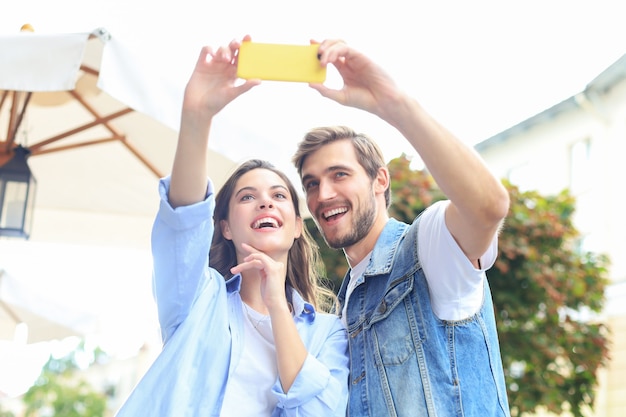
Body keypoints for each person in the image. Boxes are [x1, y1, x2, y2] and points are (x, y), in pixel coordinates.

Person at [114, 39, 349, 417]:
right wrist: (197, 115)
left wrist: (276, 303)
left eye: (278, 195)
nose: (265, 202)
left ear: (294, 228)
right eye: (246, 197)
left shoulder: (327, 333)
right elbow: (182, 218)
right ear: (223, 227)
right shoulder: (197, 299)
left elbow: (320, 412)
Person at [291, 41, 512, 416]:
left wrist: (393, 103)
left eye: (339, 175)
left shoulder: (426, 246)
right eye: (311, 183)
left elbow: (489, 207)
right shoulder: (343, 309)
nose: (323, 194)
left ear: (380, 181)